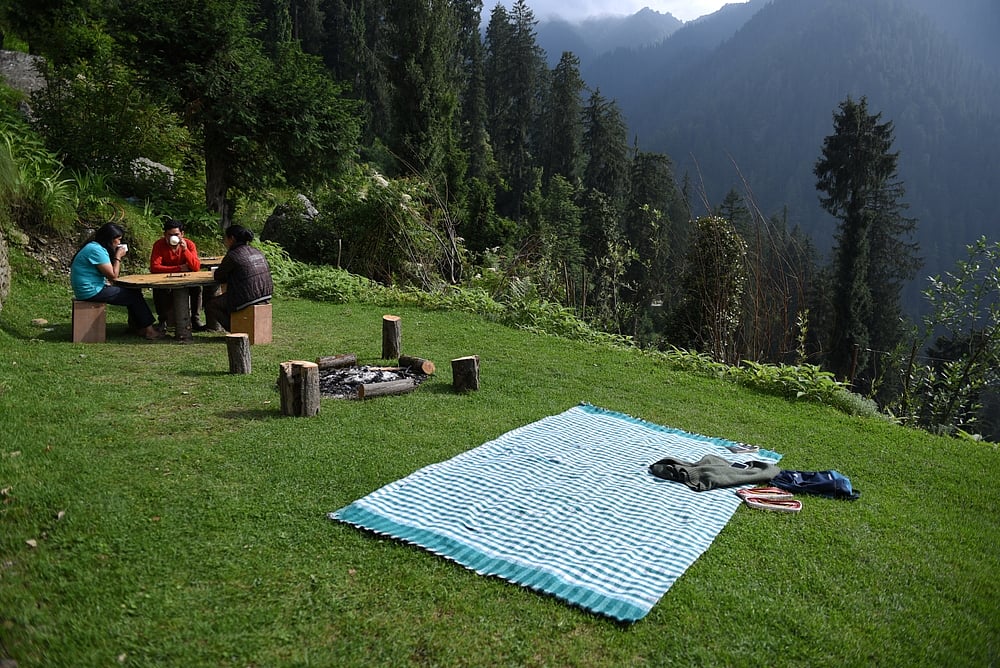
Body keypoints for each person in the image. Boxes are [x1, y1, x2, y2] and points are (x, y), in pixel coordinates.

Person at [70, 222, 162, 340]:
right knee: (134, 296)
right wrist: (118, 256)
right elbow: (113, 276)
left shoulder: (94, 247)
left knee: (132, 292)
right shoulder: (96, 250)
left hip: (88, 289)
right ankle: (149, 331)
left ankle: (139, 327)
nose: (119, 243)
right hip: (91, 291)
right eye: (118, 239)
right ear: (110, 239)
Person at [204, 225, 273, 332]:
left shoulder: (233, 255)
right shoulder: (256, 251)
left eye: (225, 238)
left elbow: (218, 276)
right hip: (266, 294)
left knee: (211, 305)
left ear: (231, 238)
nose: (225, 241)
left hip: (247, 297)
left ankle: (236, 329)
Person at [149, 218, 206, 331]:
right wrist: (179, 268)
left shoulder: (189, 244)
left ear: (182, 234)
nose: (173, 237)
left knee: (196, 288)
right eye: (170, 235)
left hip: (186, 279)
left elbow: (195, 267)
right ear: (165, 234)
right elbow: (155, 267)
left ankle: (195, 319)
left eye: (176, 234)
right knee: (158, 290)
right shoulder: (159, 245)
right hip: (165, 279)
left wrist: (185, 250)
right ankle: (163, 320)